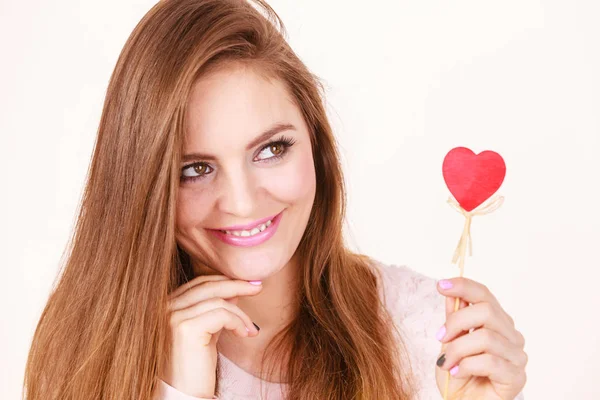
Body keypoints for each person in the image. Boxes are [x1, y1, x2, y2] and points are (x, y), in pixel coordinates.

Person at [22, 1, 527, 399]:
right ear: (144, 188)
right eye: (195, 170)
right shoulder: (86, 356)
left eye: (271, 149)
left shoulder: (425, 330)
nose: (242, 202)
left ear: (316, 144)